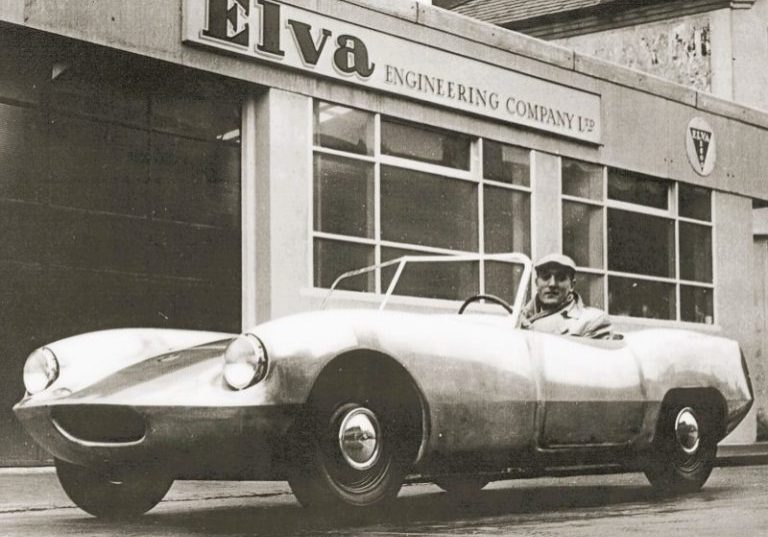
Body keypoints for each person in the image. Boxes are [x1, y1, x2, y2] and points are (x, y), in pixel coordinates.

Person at [521, 253, 613, 339]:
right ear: (536, 283)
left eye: (560, 278)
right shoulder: (517, 318)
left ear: (572, 285)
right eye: (546, 277)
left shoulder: (594, 320)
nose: (552, 284)